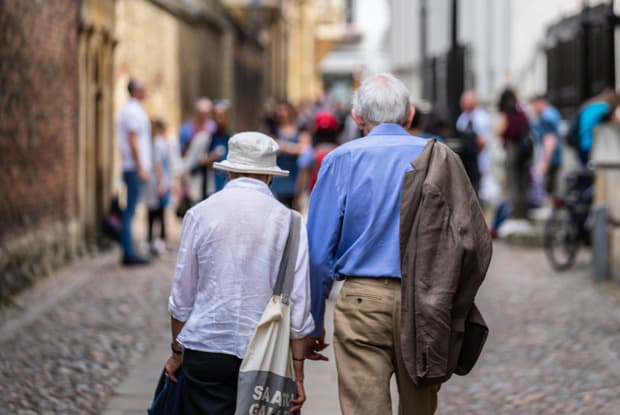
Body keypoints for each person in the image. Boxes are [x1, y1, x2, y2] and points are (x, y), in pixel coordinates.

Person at [306, 73, 439, 414]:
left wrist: (314, 318)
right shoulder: (438, 158)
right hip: (424, 299)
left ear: (356, 116)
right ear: (409, 114)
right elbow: (469, 241)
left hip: (363, 300)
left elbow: (319, 253)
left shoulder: (341, 160)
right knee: (420, 407)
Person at [164, 132, 314, 415]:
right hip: (265, 355)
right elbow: (298, 305)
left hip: (207, 348)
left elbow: (181, 298)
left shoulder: (200, 214)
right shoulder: (291, 223)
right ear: (269, 176)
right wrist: (298, 373)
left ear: (230, 170)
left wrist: (177, 352)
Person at [117, 79, 151, 266]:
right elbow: (133, 140)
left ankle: (129, 250)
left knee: (131, 210)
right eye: (143, 88)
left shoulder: (134, 109)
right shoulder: (132, 111)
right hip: (133, 168)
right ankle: (128, 253)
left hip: (133, 167)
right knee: (130, 211)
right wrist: (141, 167)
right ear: (136, 90)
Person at [496, 88, 531, 219]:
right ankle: (523, 213)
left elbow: (499, 130)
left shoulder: (506, 114)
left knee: (513, 183)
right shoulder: (521, 113)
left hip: (512, 149)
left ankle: (516, 215)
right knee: (522, 182)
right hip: (523, 150)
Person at [271, 101, 311, 208]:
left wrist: (284, 147)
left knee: (294, 207)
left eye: (283, 110)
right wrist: (292, 148)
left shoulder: (300, 128)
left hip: (295, 175)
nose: (281, 114)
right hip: (277, 174)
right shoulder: (273, 128)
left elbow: (303, 148)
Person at [457, 91, 493, 199]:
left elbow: (484, 141)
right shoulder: (462, 118)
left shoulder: (482, 118)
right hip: (466, 161)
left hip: (478, 159)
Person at [146, 119, 172, 255]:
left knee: (154, 211)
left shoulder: (154, 143)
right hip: (159, 181)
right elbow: (158, 164)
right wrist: (163, 182)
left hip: (157, 181)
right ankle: (158, 240)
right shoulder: (158, 143)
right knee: (159, 212)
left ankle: (152, 240)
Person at [576, 89, 619, 165]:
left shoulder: (592, 105)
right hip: (590, 143)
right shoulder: (605, 108)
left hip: (582, 142)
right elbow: (614, 121)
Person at [530, 94, 562, 195]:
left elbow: (550, 139)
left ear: (539, 103)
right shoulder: (552, 112)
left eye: (533, 105)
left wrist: (545, 162)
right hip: (554, 156)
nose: (532, 109)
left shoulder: (546, 116)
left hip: (548, 157)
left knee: (547, 192)